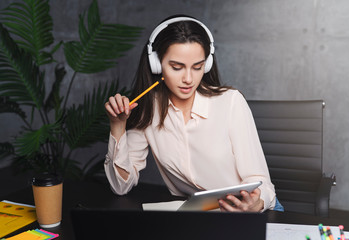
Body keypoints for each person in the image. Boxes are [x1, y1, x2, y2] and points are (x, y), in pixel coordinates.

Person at [104, 15, 283, 212]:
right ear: (156, 64)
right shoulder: (149, 108)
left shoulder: (231, 102)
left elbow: (261, 182)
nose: (188, 78)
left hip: (252, 213)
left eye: (197, 67)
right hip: (199, 216)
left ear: (206, 65)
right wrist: (118, 125)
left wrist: (255, 204)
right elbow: (120, 187)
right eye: (176, 67)